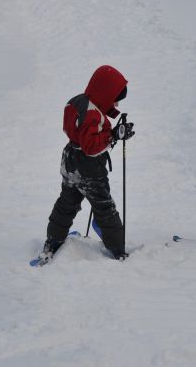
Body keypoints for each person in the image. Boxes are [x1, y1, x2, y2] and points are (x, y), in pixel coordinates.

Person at [42, 65, 135, 261]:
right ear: (105, 93)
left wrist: (112, 126)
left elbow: (83, 125)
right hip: (89, 168)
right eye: (115, 99)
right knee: (104, 206)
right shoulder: (93, 114)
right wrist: (113, 136)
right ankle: (118, 249)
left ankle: (53, 241)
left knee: (66, 203)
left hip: (70, 161)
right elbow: (91, 146)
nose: (116, 104)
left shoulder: (79, 101)